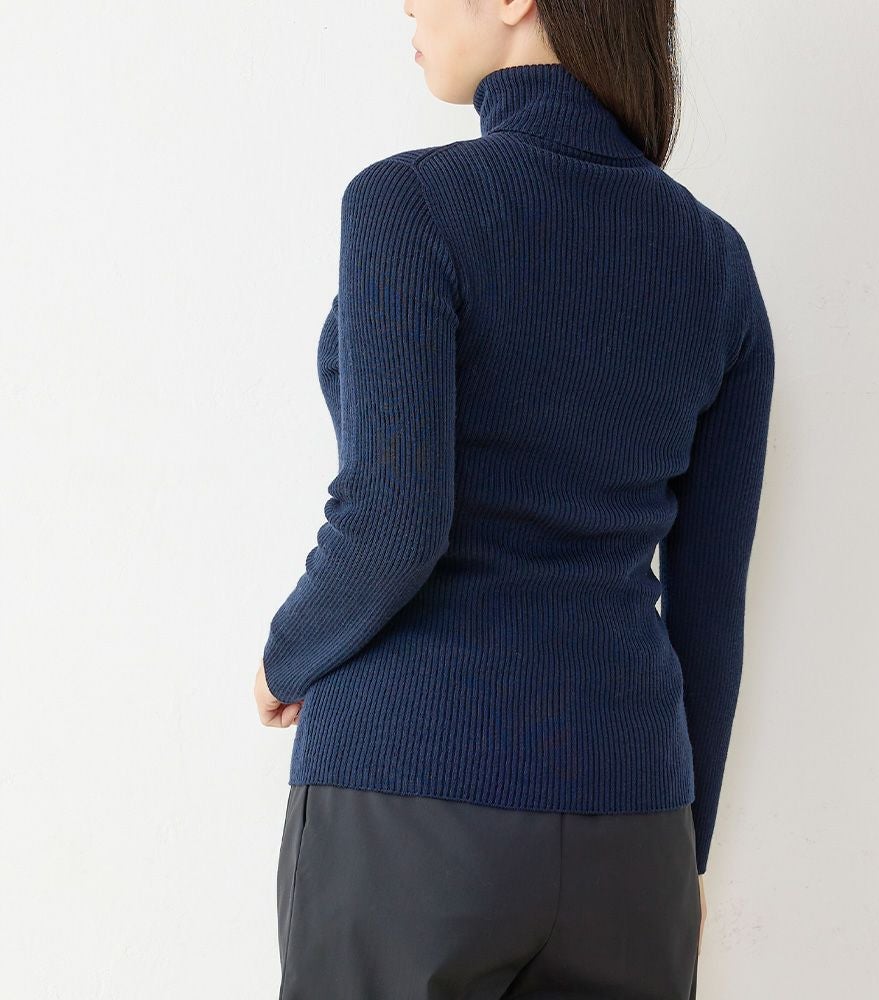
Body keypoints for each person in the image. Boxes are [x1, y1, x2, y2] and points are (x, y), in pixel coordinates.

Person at [253, 1, 775, 997]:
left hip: (409, 802)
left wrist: (286, 655)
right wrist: (686, 847)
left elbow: (394, 520)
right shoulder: (716, 262)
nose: (409, 4)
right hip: (635, 831)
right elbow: (709, 612)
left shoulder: (408, 206)